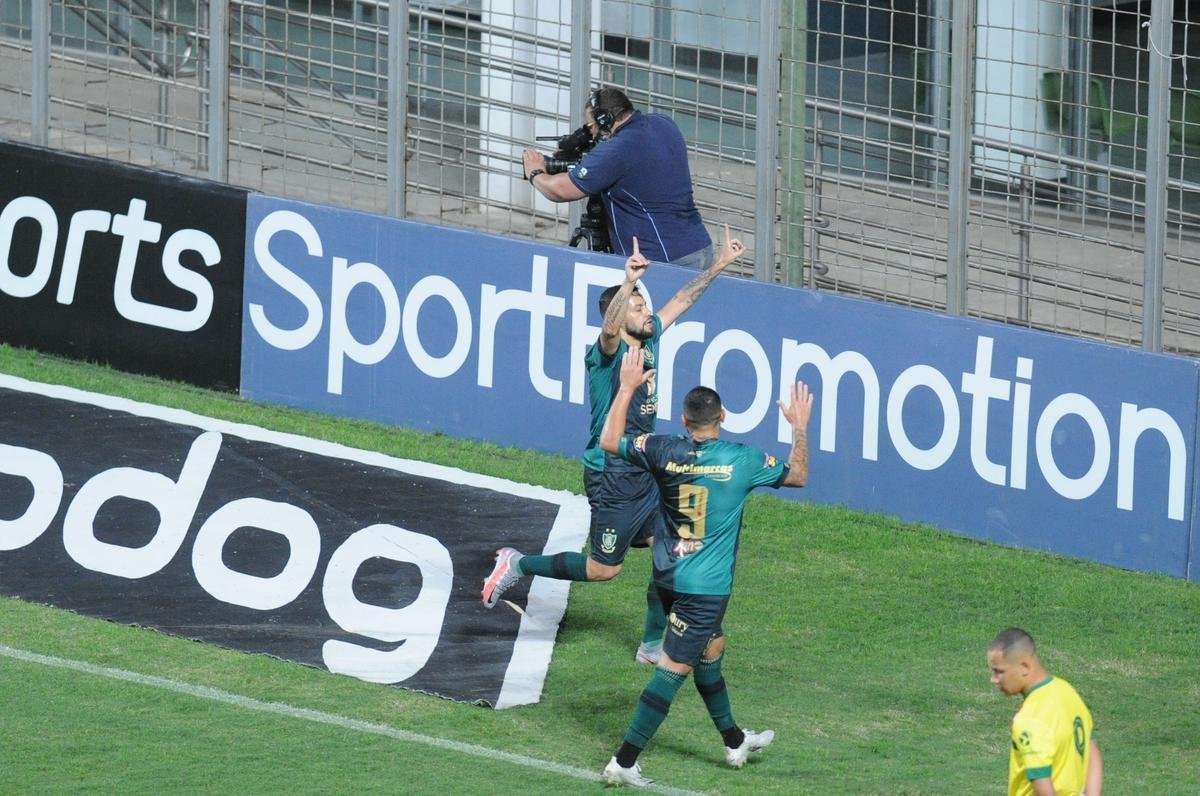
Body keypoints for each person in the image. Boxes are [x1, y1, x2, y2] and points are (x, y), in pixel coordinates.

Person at [482, 227, 747, 667]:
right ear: (620, 315)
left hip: (647, 464)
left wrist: (720, 263)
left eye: (644, 304)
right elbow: (608, 332)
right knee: (605, 569)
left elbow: (681, 300)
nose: (648, 311)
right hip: (612, 473)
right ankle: (518, 564)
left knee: (673, 547)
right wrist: (627, 283)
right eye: (638, 307)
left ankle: (650, 643)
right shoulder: (605, 354)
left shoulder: (649, 338)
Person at [596, 347, 815, 787]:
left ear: (683, 421)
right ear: (724, 416)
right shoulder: (743, 459)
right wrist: (800, 428)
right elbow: (797, 475)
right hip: (705, 588)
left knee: (712, 651)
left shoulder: (662, 450)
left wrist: (624, 389)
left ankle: (734, 741)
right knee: (672, 671)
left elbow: (609, 441)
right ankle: (623, 762)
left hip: (668, 576)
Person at [522, 87, 715, 268]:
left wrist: (535, 172)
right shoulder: (663, 123)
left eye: (592, 124)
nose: (592, 130)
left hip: (662, 260)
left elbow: (560, 190)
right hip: (699, 247)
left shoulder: (616, 150)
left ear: (604, 119)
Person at [987, 627, 1103, 796]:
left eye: (999, 671)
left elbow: (1043, 788)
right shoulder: (1067, 691)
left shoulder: (1030, 719)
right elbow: (1091, 751)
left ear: (1025, 666)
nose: (994, 679)